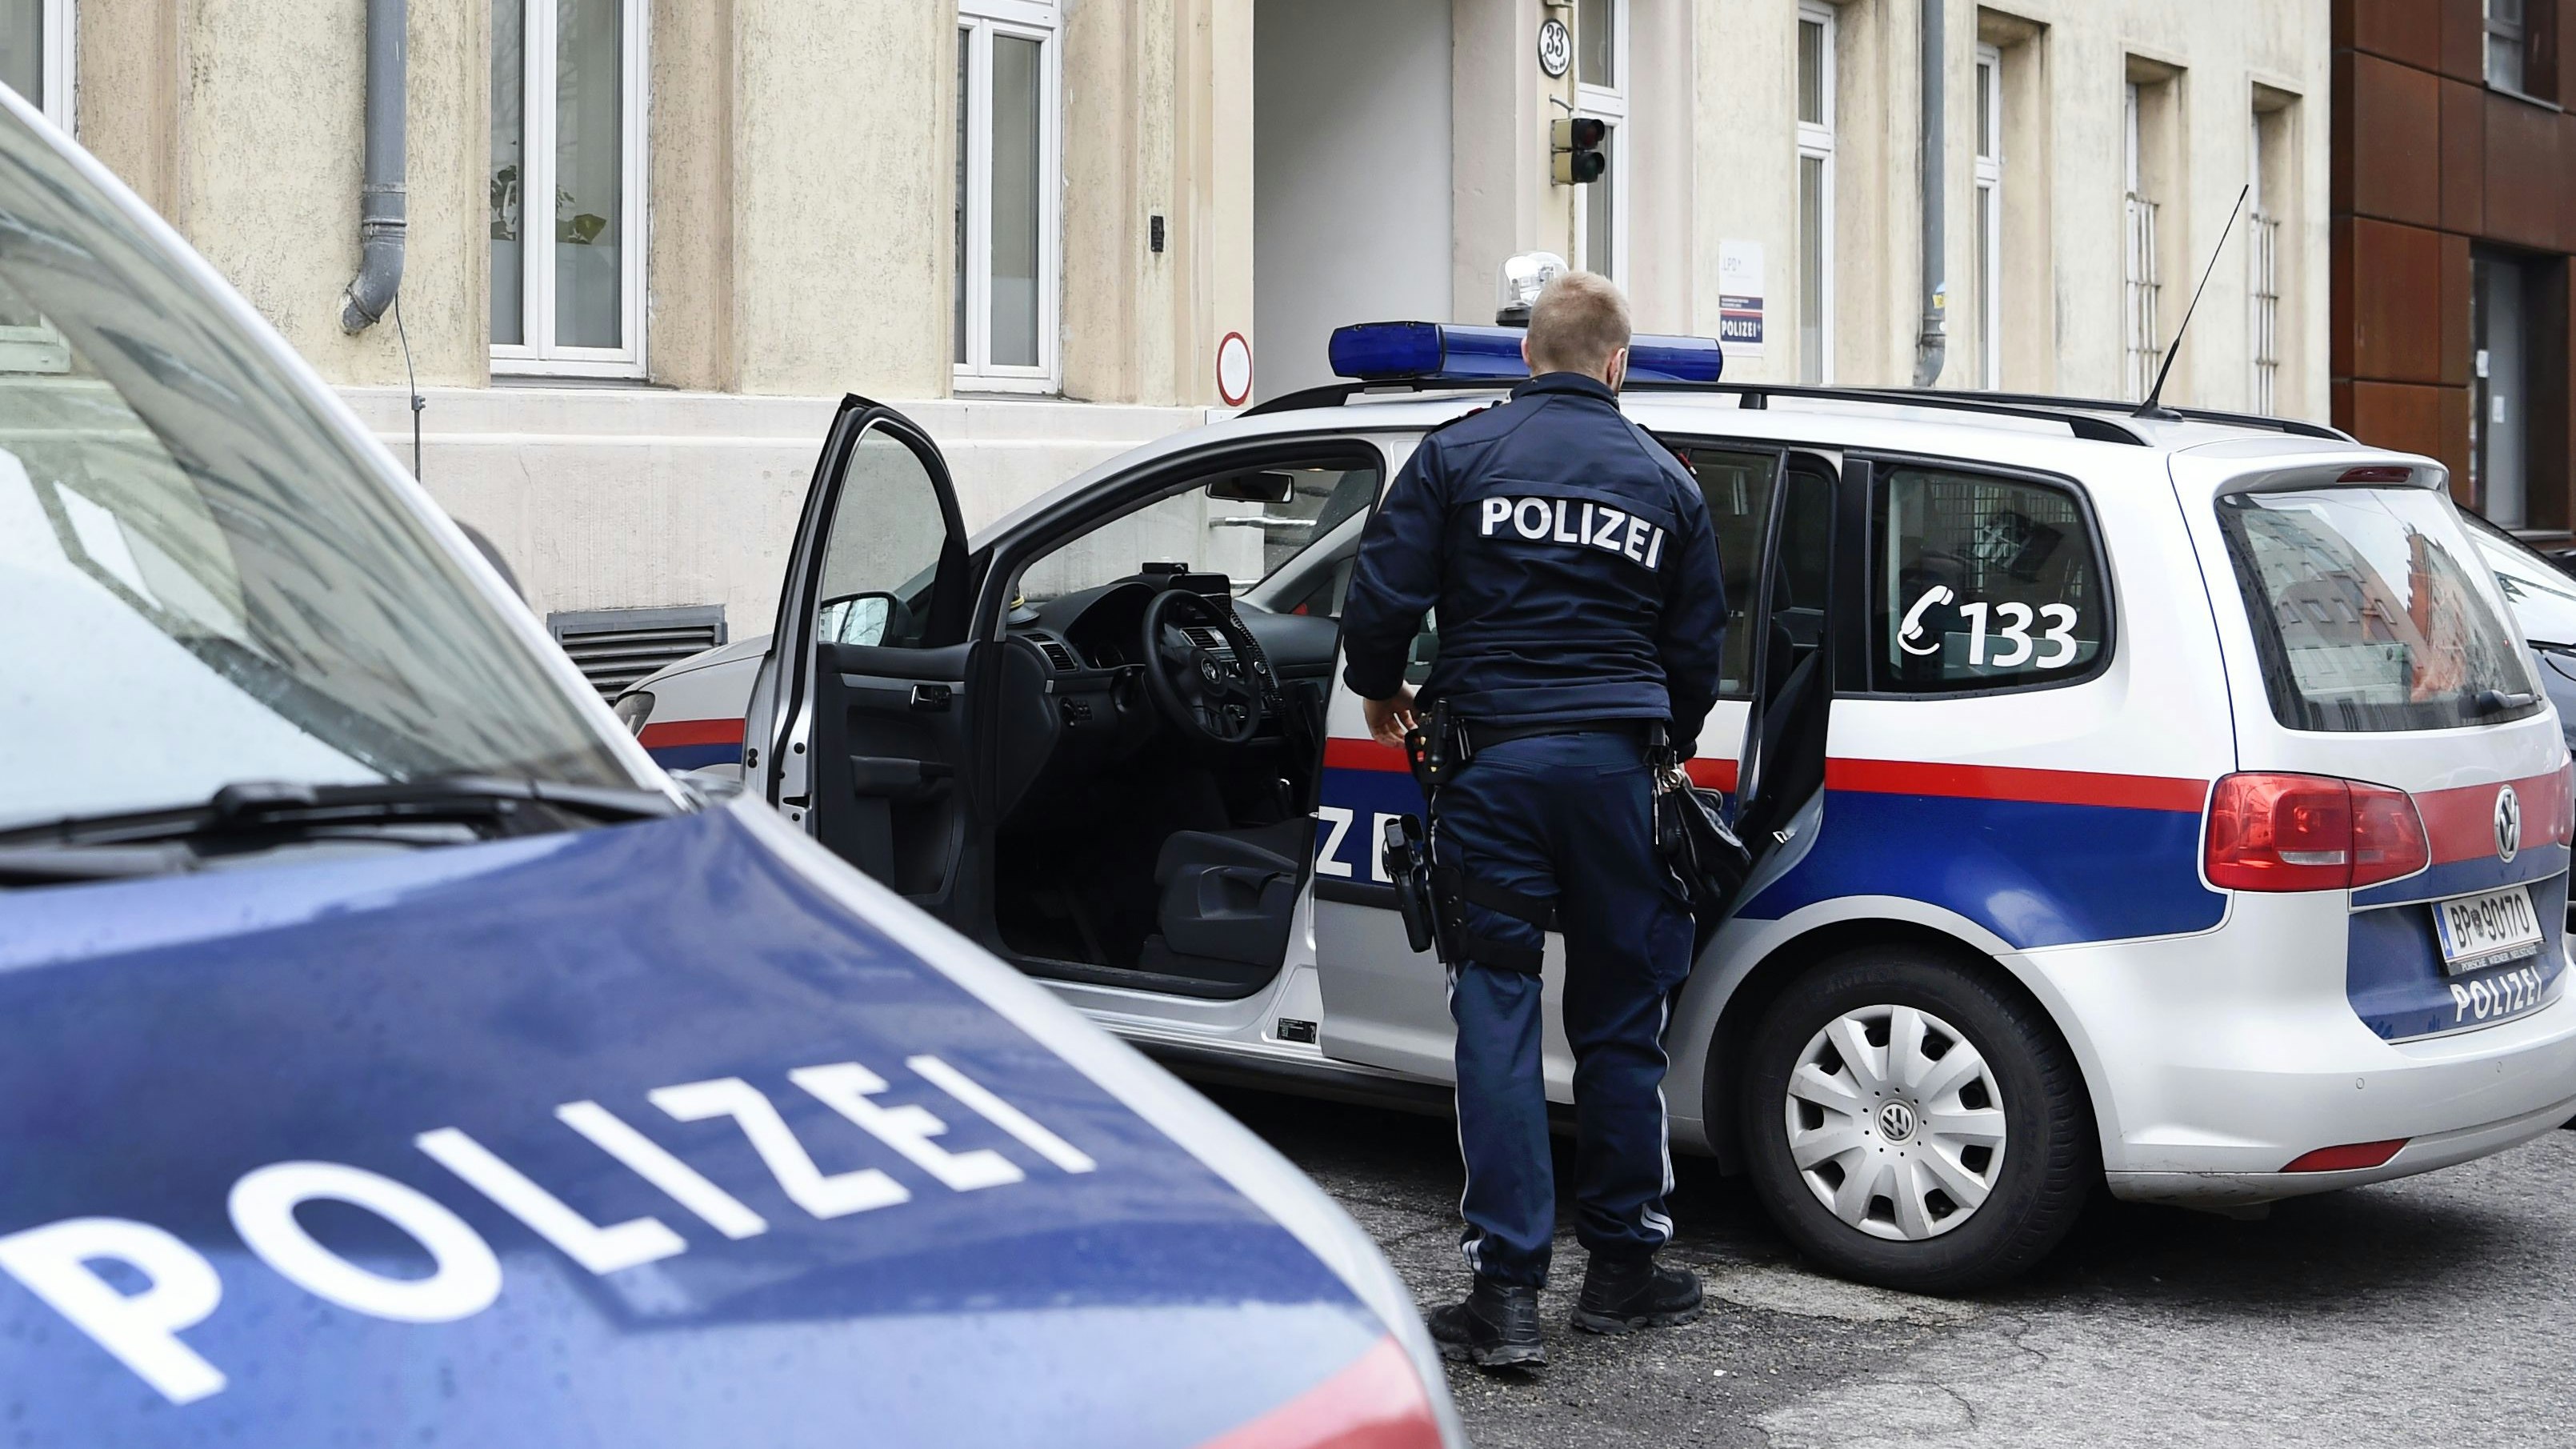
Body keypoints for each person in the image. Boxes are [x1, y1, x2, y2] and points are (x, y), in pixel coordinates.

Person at [1338, 271, 1728, 1368]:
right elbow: (1698, 650)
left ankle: (1506, 1297)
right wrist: (1663, 743)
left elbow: (1382, 592)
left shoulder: (1460, 455)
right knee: (1618, 1021)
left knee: (1499, 1018)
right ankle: (1622, 1269)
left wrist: (1381, 685)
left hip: (1493, 772)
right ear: (1618, 364)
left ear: (1525, 358)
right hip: (1619, 778)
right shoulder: (1667, 480)